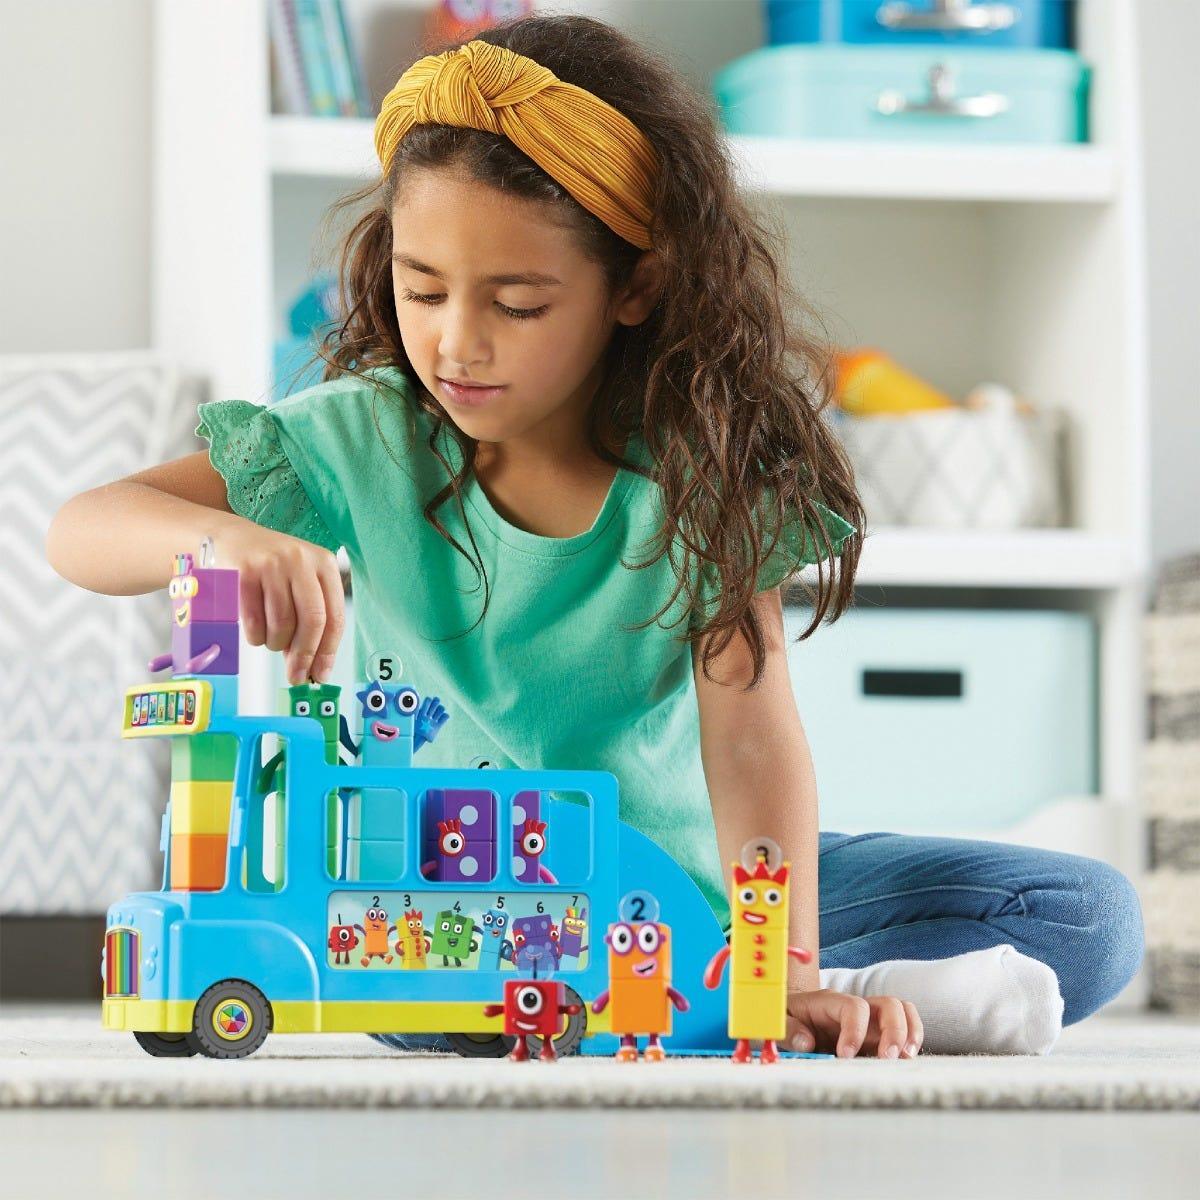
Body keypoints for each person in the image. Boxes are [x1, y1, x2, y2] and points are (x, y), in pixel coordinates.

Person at [46, 15, 1143, 1057]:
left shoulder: (702, 466)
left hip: (675, 885)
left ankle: (773, 995)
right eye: (422, 290)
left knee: (1084, 918)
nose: (456, 343)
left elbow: (750, 738)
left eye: (517, 304)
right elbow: (84, 527)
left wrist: (787, 960)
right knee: (465, 1003)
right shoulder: (361, 436)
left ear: (636, 285)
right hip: (433, 914)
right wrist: (223, 543)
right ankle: (807, 1003)